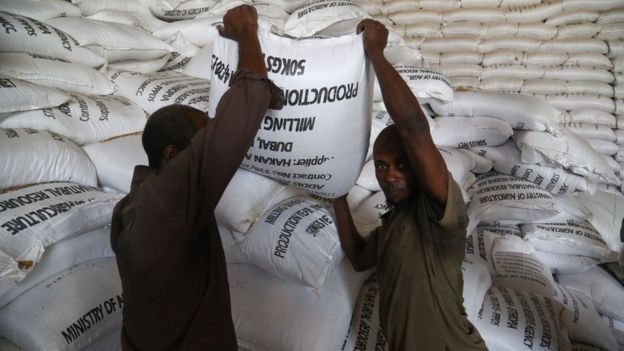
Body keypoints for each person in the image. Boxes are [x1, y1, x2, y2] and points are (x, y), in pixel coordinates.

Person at [110, 5, 283, 350]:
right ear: (172, 155)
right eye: (202, 137)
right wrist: (248, 31)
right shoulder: (165, 200)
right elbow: (242, 110)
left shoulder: (133, 208)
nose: (209, 144)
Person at [332, 19, 488, 351]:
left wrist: (375, 51)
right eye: (382, 166)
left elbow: (415, 128)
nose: (390, 176)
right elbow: (360, 258)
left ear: (418, 167)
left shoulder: (439, 212)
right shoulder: (391, 226)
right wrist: (336, 195)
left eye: (403, 165)